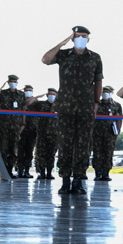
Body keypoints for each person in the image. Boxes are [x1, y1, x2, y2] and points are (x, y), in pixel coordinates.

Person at [42, 26, 103, 196]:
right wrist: (62, 43)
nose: (81, 39)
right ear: (72, 38)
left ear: (89, 38)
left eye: (84, 36)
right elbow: (45, 59)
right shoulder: (63, 55)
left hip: (86, 107)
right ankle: (65, 180)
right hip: (66, 107)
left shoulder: (95, 58)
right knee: (64, 144)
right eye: (77, 36)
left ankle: (78, 181)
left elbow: (98, 81)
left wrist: (96, 102)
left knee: (83, 145)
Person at [0, 75, 26, 178]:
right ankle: (3, 172)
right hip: (3, 126)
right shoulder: (3, 93)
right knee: (3, 148)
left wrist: (23, 124)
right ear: (8, 82)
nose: (13, 83)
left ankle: (9, 171)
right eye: (11, 81)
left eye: (15, 81)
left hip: (15, 126)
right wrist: (1, 87)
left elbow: (23, 110)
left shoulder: (21, 95)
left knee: (13, 149)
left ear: (17, 83)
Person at [91, 85, 123, 181]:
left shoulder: (116, 105)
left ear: (111, 93)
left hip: (110, 133)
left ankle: (106, 173)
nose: (105, 93)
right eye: (103, 92)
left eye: (107, 92)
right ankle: (97, 173)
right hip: (97, 132)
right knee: (97, 153)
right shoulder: (97, 104)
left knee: (108, 153)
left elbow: (119, 119)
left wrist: (117, 131)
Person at [30, 88, 58, 180]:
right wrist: (38, 97)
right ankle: (41, 173)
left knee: (51, 154)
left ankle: (49, 173)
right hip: (42, 133)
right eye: (50, 94)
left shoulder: (59, 106)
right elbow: (28, 104)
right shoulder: (41, 105)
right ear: (47, 95)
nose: (52, 96)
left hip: (54, 134)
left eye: (53, 94)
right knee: (40, 154)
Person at [16, 83, 39, 179]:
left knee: (29, 151)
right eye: (26, 90)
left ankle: (26, 170)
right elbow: (26, 103)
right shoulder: (20, 100)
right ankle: (20, 170)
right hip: (22, 129)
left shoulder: (36, 102)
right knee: (20, 151)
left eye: (30, 90)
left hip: (32, 130)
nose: (28, 92)